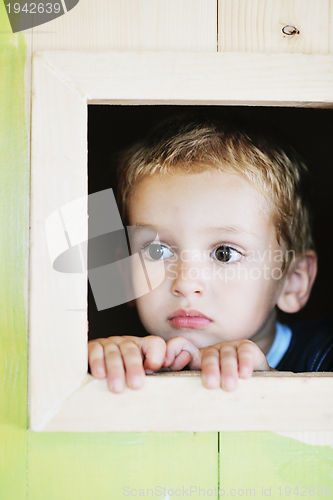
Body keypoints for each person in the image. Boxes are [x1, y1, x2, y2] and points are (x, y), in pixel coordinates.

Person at [88, 114, 332, 394]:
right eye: (157, 250)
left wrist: (272, 387)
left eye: (224, 253)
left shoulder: (324, 354)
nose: (186, 283)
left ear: (293, 281)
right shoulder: (133, 362)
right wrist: (102, 375)